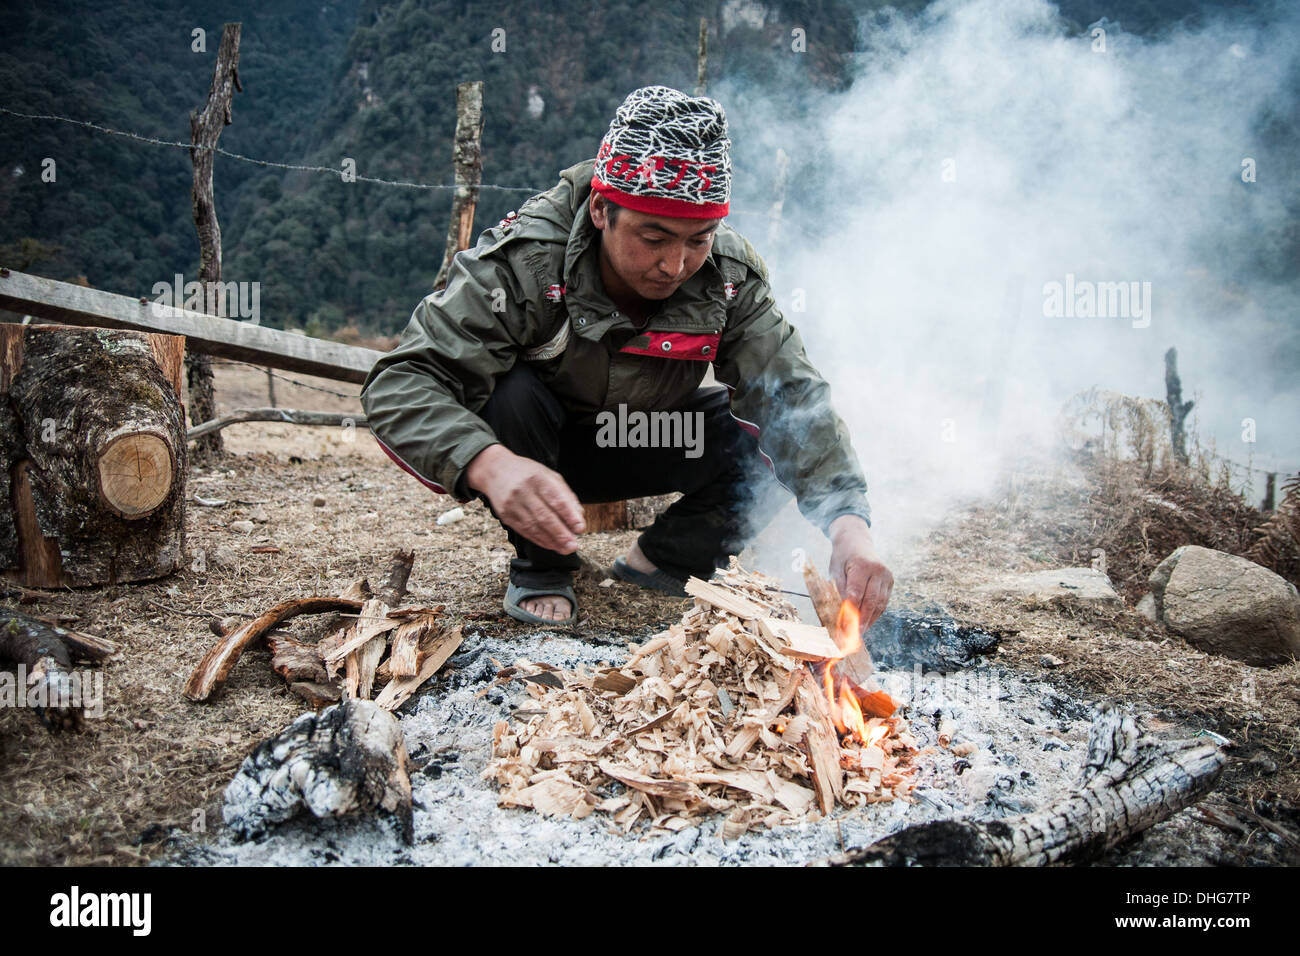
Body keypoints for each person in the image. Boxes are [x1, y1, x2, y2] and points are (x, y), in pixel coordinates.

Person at [360, 85, 892, 629]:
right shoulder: (525, 265)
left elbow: (791, 393)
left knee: (765, 434)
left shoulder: (727, 278)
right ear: (600, 209)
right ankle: (544, 566)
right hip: (534, 450)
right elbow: (400, 382)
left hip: (643, 436)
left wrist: (849, 523)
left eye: (698, 238)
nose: (674, 264)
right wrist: (490, 465)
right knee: (511, 394)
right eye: (653, 236)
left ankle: (667, 560)